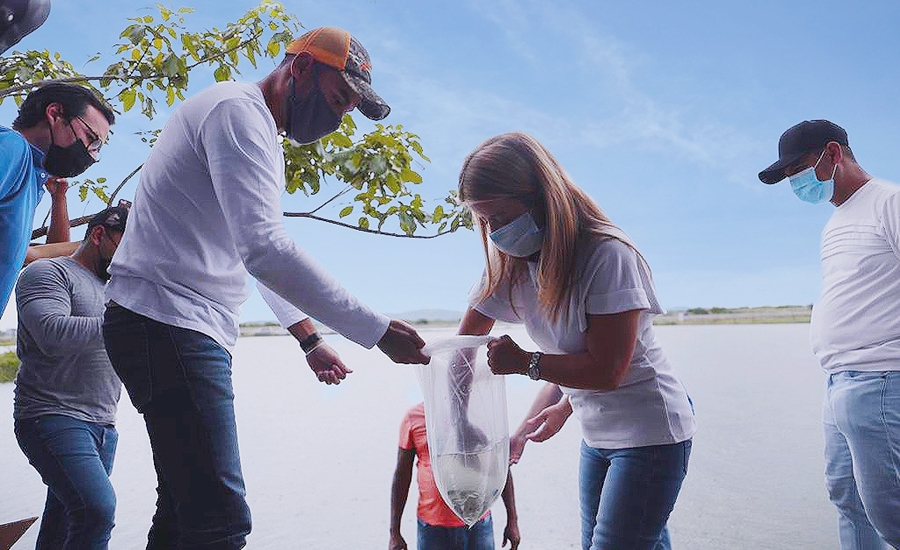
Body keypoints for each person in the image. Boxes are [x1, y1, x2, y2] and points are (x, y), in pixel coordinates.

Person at [101, 27, 429, 549]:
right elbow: (265, 248)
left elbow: (250, 249)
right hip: (167, 322)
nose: (339, 117)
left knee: (185, 507)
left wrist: (308, 337)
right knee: (220, 520)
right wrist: (375, 328)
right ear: (299, 67)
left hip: (170, 323)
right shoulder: (237, 113)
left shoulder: (255, 128)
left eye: (348, 110)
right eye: (338, 98)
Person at [454, 132, 696, 550]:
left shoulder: (607, 255)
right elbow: (465, 346)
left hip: (650, 433)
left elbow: (606, 369)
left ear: (539, 198)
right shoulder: (513, 266)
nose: (493, 232)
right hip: (597, 434)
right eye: (484, 221)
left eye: (500, 217)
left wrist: (524, 361)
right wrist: (469, 426)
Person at [759, 120, 900, 550]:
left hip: (880, 378)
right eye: (787, 177)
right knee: (847, 496)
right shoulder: (836, 221)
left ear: (833, 154)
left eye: (798, 169)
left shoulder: (889, 203)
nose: (794, 182)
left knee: (890, 510)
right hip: (839, 381)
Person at [13, 205, 128, 550]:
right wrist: (129, 325)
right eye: (127, 244)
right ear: (98, 235)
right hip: (52, 416)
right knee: (96, 510)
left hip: (103, 426)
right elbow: (52, 333)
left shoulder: (115, 290)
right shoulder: (48, 273)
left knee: (64, 521)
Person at [0, 82, 114, 317]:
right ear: (55, 114)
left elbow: (40, 256)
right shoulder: (13, 148)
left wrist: (59, 198)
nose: (91, 155)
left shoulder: (32, 180)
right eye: (91, 139)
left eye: (97, 148)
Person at [389, 402, 521, 550]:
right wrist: (394, 532)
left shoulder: (480, 417)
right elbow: (402, 476)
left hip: (478, 523)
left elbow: (499, 468)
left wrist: (512, 520)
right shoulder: (414, 417)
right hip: (432, 527)